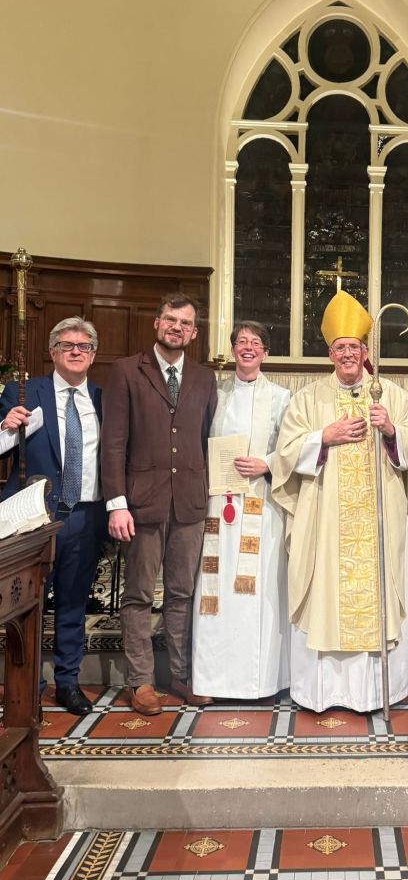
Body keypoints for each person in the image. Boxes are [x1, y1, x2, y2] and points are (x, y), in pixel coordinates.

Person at [271, 290, 408, 712]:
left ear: (365, 350)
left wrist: (391, 430)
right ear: (330, 353)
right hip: (327, 525)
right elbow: (286, 452)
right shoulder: (307, 399)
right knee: (326, 597)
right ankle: (323, 693)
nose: (347, 354)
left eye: (353, 347)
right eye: (339, 348)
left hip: (378, 524)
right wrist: (324, 437)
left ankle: (377, 692)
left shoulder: (391, 395)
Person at [101, 293, 217, 716]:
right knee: (137, 595)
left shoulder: (204, 379)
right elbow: (113, 443)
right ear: (156, 323)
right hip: (142, 504)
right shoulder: (126, 371)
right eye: (170, 319)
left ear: (194, 332)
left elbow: (204, 440)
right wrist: (117, 503)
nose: (177, 328)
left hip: (189, 504)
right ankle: (141, 681)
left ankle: (182, 676)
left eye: (185, 323)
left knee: (182, 593)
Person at [0, 317, 106, 715]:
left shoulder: (102, 399)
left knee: (74, 603)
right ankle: (27, 688)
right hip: (34, 519)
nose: (75, 351)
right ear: (52, 352)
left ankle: (67, 682)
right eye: (67, 345)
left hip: (85, 516)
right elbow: (2, 447)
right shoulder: (24, 392)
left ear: (93, 354)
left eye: (83, 346)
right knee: (28, 606)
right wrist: (7, 427)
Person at [191, 321, 291, 699]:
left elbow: (292, 446)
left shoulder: (282, 398)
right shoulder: (213, 395)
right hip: (218, 503)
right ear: (232, 350)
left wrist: (266, 463)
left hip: (261, 506)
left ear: (266, 352)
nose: (248, 347)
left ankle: (262, 680)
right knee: (215, 590)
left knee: (260, 588)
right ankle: (211, 680)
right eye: (241, 342)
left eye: (255, 343)